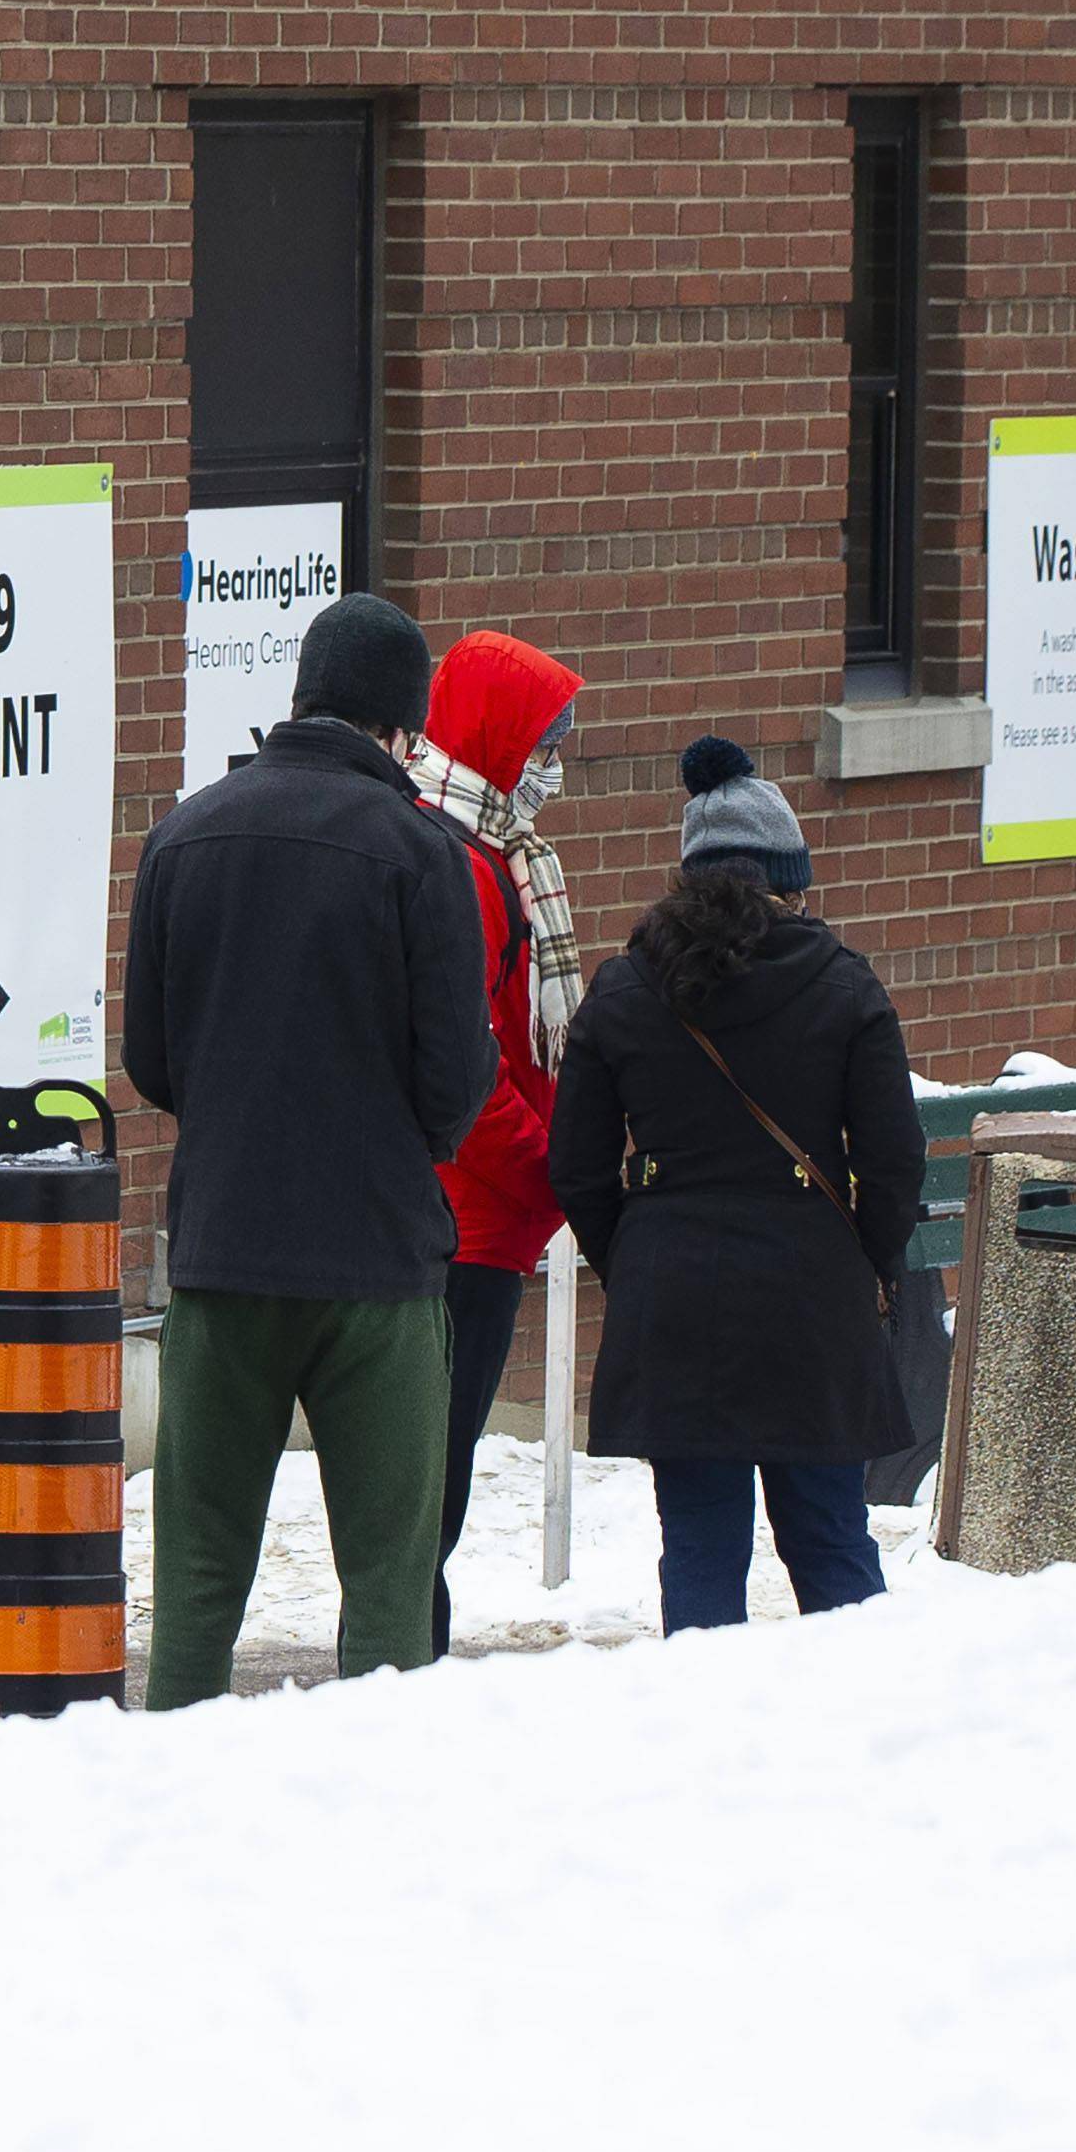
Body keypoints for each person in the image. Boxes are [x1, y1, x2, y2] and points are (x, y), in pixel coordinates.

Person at [126, 591, 493, 1707]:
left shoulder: (181, 834)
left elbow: (151, 1059)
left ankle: (174, 1785)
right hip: (376, 1263)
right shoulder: (421, 851)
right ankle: (375, 1817)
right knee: (385, 1578)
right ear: (401, 729)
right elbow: (454, 1076)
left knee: (197, 1573)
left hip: (223, 1251)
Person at [548, 738, 922, 1633]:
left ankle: (706, 1754)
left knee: (702, 1552)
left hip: (674, 1300)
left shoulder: (626, 988)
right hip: (813, 1298)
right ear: (789, 883)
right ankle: (868, 1741)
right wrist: (862, 1259)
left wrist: (633, 1258)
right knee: (832, 1541)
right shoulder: (843, 986)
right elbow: (896, 1158)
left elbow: (575, 1166)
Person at [408, 629, 588, 1650]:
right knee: (434, 1476)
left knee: (442, 1470)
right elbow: (468, 1075)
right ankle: (403, 1668)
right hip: (466, 1218)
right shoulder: (462, 868)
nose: (554, 768)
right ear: (497, 738)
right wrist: (553, 1174)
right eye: (545, 745)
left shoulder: (505, 858)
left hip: (493, 1216)